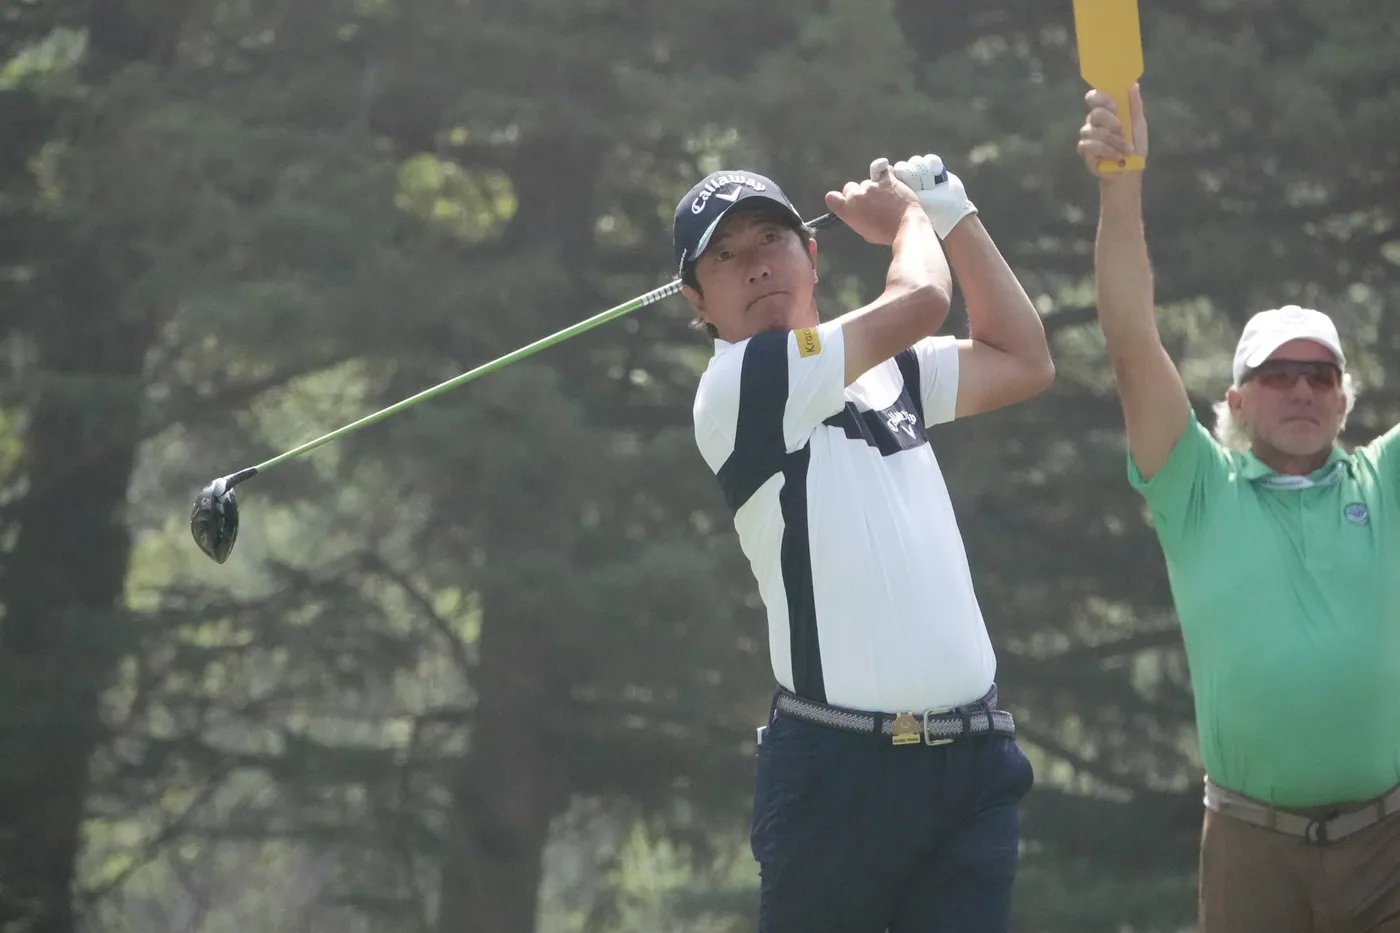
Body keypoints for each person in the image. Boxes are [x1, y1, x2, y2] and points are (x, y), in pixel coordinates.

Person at [677, 153, 1054, 932]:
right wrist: (910, 219)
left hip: (972, 764)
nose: (756, 266)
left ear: (811, 253)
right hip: (837, 774)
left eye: (771, 239)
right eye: (725, 256)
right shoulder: (741, 383)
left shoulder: (889, 373)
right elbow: (922, 299)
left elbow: (1023, 359)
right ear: (697, 302)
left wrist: (953, 212)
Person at [1078, 83, 1400, 933]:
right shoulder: (1197, 486)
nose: (1301, 389)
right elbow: (1131, 340)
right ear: (1236, 400)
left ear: (1343, 401)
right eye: (1277, 374)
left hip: (1388, 844)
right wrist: (1122, 186)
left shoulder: (1386, 482)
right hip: (1250, 845)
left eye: (1320, 375)